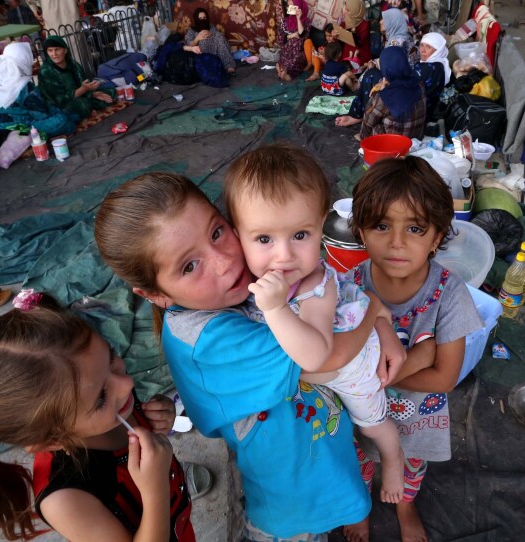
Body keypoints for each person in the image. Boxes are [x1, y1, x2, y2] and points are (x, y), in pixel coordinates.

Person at [94, 172, 372, 541]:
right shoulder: (209, 340)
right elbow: (326, 356)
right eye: (189, 266)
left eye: (216, 232)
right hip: (290, 498)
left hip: (313, 460)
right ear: (153, 294)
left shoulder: (237, 291)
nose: (224, 262)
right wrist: (377, 311)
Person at [223, 144, 407, 504]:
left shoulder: (314, 287)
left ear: (321, 225)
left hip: (352, 366)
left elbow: (315, 357)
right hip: (323, 375)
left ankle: (393, 458)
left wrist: (276, 310)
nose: (284, 255)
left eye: (300, 235)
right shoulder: (254, 276)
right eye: (263, 239)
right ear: (237, 235)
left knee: (371, 422)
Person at [0, 292, 195, 541]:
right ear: (52, 440)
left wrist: (161, 415)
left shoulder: (111, 401)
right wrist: (155, 488)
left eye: (111, 356)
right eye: (101, 396)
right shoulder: (66, 499)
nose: (126, 385)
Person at [343, 156, 484, 542]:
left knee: (410, 467)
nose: (397, 242)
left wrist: (366, 377)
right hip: (358, 421)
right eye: (382, 225)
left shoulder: (449, 294)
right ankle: (360, 507)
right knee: (357, 464)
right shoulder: (345, 287)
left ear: (438, 237)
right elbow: (333, 363)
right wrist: (421, 355)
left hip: (417, 418)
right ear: (360, 230)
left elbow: (444, 379)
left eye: (416, 228)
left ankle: (405, 506)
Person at [0, 42, 78, 137]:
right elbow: (42, 115)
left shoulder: (0, 82)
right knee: (62, 120)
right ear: (25, 60)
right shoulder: (25, 87)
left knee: (56, 110)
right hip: (21, 130)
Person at [39, 35, 117, 121]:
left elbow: (83, 84)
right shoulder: (46, 71)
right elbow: (59, 99)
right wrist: (84, 90)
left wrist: (92, 93)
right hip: (61, 104)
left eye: (57, 49)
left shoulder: (73, 64)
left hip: (81, 95)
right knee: (82, 104)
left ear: (65, 50)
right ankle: (88, 109)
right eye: (50, 50)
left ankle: (89, 109)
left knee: (111, 91)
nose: (54, 54)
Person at [358, 46, 427, 141]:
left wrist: (363, 137)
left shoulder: (383, 96)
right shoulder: (419, 84)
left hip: (393, 145)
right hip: (416, 138)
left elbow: (368, 121)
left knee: (372, 117)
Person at [183, 8, 236, 74]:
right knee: (203, 40)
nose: (202, 20)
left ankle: (229, 65)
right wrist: (197, 38)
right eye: (200, 18)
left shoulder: (210, 26)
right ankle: (212, 66)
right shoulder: (192, 30)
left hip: (215, 50)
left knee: (220, 36)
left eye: (204, 18)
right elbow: (188, 46)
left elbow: (217, 36)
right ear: (196, 19)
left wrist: (210, 33)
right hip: (202, 52)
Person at [415, 32, 451, 122]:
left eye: (428, 47)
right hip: (429, 111)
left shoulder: (428, 68)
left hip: (421, 114)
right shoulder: (441, 64)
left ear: (438, 50)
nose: (423, 50)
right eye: (422, 45)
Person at [276, 0, 308, 82]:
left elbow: (302, 36)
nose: (288, 7)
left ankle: (284, 72)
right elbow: (280, 40)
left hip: (299, 52)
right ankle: (283, 71)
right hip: (287, 51)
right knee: (284, 58)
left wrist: (298, 18)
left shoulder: (306, 22)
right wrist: (293, 35)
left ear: (298, 7)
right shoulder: (285, 21)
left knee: (298, 58)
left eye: (291, 6)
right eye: (288, 5)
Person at [335, 0, 371, 71]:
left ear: (356, 11)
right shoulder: (344, 23)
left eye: (348, 10)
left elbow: (360, 43)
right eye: (345, 8)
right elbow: (341, 43)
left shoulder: (364, 25)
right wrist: (336, 36)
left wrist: (353, 31)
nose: (344, 11)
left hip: (360, 58)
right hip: (346, 56)